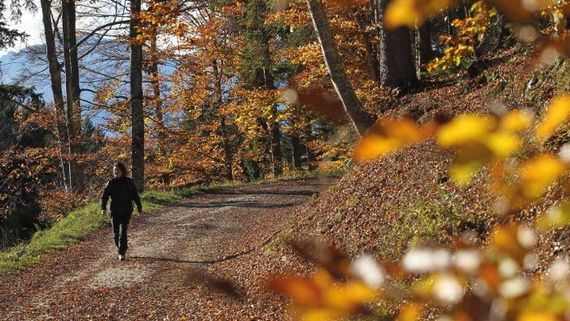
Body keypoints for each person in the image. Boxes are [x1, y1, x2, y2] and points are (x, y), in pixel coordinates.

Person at [101, 162, 142, 261]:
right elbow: (104, 196)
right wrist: (103, 207)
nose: (116, 171)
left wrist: (139, 207)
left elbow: (135, 195)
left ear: (122, 171)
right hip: (114, 210)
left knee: (122, 230)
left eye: (118, 170)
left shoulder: (128, 182)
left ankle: (121, 252)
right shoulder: (111, 183)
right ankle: (121, 247)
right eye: (114, 170)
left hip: (126, 209)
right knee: (115, 233)